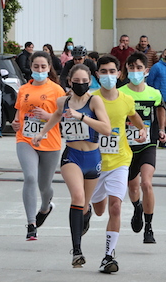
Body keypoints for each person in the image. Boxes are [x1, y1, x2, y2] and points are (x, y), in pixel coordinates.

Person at [32, 63, 111, 269]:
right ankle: (77, 251)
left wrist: (82, 116)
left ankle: (86, 214)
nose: (81, 85)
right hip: (72, 156)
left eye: (85, 82)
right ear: (70, 82)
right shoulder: (63, 101)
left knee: (84, 205)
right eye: (77, 82)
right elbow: (57, 116)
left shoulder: (95, 102)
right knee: (77, 197)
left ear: (90, 82)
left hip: (93, 157)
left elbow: (107, 129)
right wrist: (42, 133)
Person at [87, 55, 146, 273]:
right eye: (104, 72)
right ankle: (88, 210)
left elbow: (135, 117)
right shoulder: (91, 99)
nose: (109, 76)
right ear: (97, 75)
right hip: (95, 161)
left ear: (119, 74)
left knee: (115, 206)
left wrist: (142, 129)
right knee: (100, 209)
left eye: (112, 71)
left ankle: (109, 256)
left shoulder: (126, 99)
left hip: (121, 160)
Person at [11, 50, 64, 241]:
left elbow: (65, 117)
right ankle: (31, 224)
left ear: (49, 68)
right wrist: (16, 123)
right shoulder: (24, 89)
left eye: (43, 67)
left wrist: (48, 116)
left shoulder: (57, 90)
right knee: (30, 178)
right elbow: (19, 114)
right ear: (31, 67)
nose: (39, 70)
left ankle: (45, 207)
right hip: (25, 140)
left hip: (50, 142)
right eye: (36, 66)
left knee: (44, 186)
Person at [120, 52, 165, 244]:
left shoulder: (153, 93)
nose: (135, 71)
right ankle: (137, 207)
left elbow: (161, 108)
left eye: (139, 68)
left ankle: (149, 227)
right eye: (131, 68)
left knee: (146, 183)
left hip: (148, 144)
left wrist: (162, 129)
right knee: (133, 186)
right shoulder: (121, 92)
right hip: (127, 146)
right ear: (127, 70)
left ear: (146, 71)